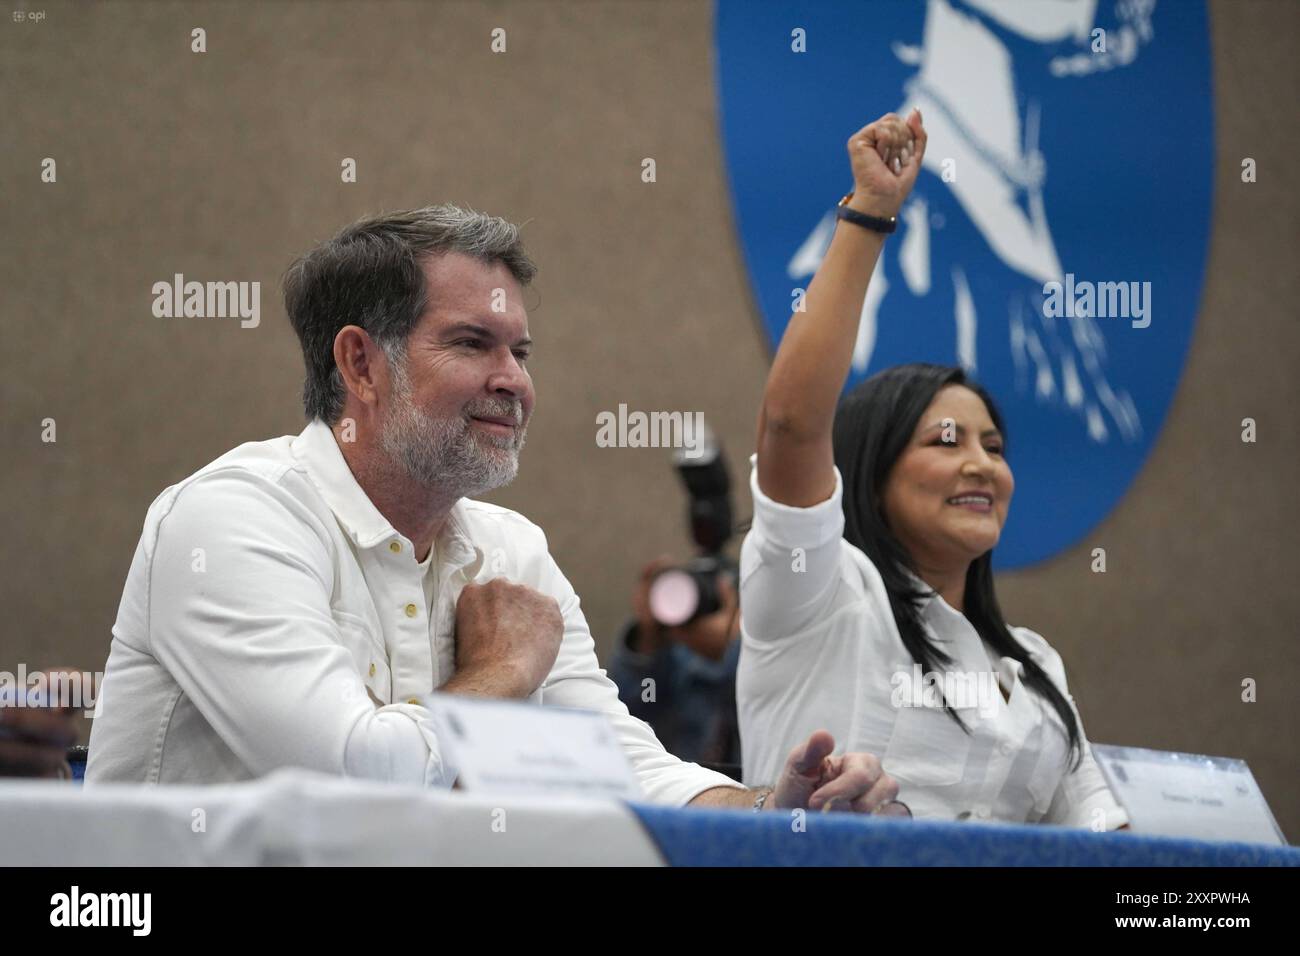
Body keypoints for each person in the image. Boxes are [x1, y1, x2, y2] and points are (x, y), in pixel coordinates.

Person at [87, 204, 903, 816]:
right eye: (473, 344)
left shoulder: (514, 549)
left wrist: (773, 813)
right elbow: (352, 779)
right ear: (360, 363)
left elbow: (620, 772)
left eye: (521, 351)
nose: (515, 380)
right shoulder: (231, 520)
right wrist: (503, 672)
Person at [738, 110, 1128, 828]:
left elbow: (1109, 843)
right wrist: (872, 213)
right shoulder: (820, 597)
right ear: (872, 470)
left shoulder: (1035, 666)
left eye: (995, 447)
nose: (981, 464)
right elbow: (792, 424)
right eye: (947, 442)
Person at [608, 558, 741, 769]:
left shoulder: (771, 658)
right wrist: (647, 640)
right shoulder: (674, 660)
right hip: (680, 789)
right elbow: (626, 718)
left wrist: (738, 650)